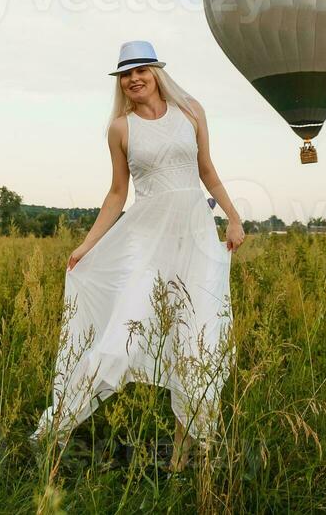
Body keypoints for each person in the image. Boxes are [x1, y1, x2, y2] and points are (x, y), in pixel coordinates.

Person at [32, 41, 245, 472]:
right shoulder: (120, 129)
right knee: (117, 339)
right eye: (126, 74)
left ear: (156, 72)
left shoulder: (191, 111)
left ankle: (184, 459)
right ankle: (54, 433)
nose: (133, 79)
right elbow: (117, 193)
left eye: (141, 70)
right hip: (145, 241)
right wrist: (87, 245)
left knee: (195, 343)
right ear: (121, 82)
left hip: (196, 240)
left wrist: (235, 218)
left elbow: (207, 170)